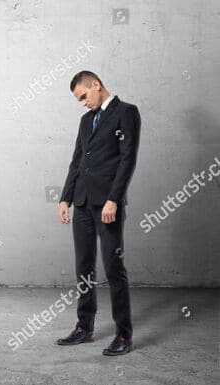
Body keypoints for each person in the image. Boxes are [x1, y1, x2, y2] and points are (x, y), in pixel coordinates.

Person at [57, 70, 141, 356]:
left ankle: (123, 335)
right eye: (78, 100)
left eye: (83, 96)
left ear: (96, 85)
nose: (82, 103)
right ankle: (84, 327)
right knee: (84, 267)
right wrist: (65, 198)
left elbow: (127, 158)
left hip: (107, 205)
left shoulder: (126, 112)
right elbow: (77, 160)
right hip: (81, 202)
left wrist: (114, 199)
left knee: (113, 268)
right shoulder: (85, 120)